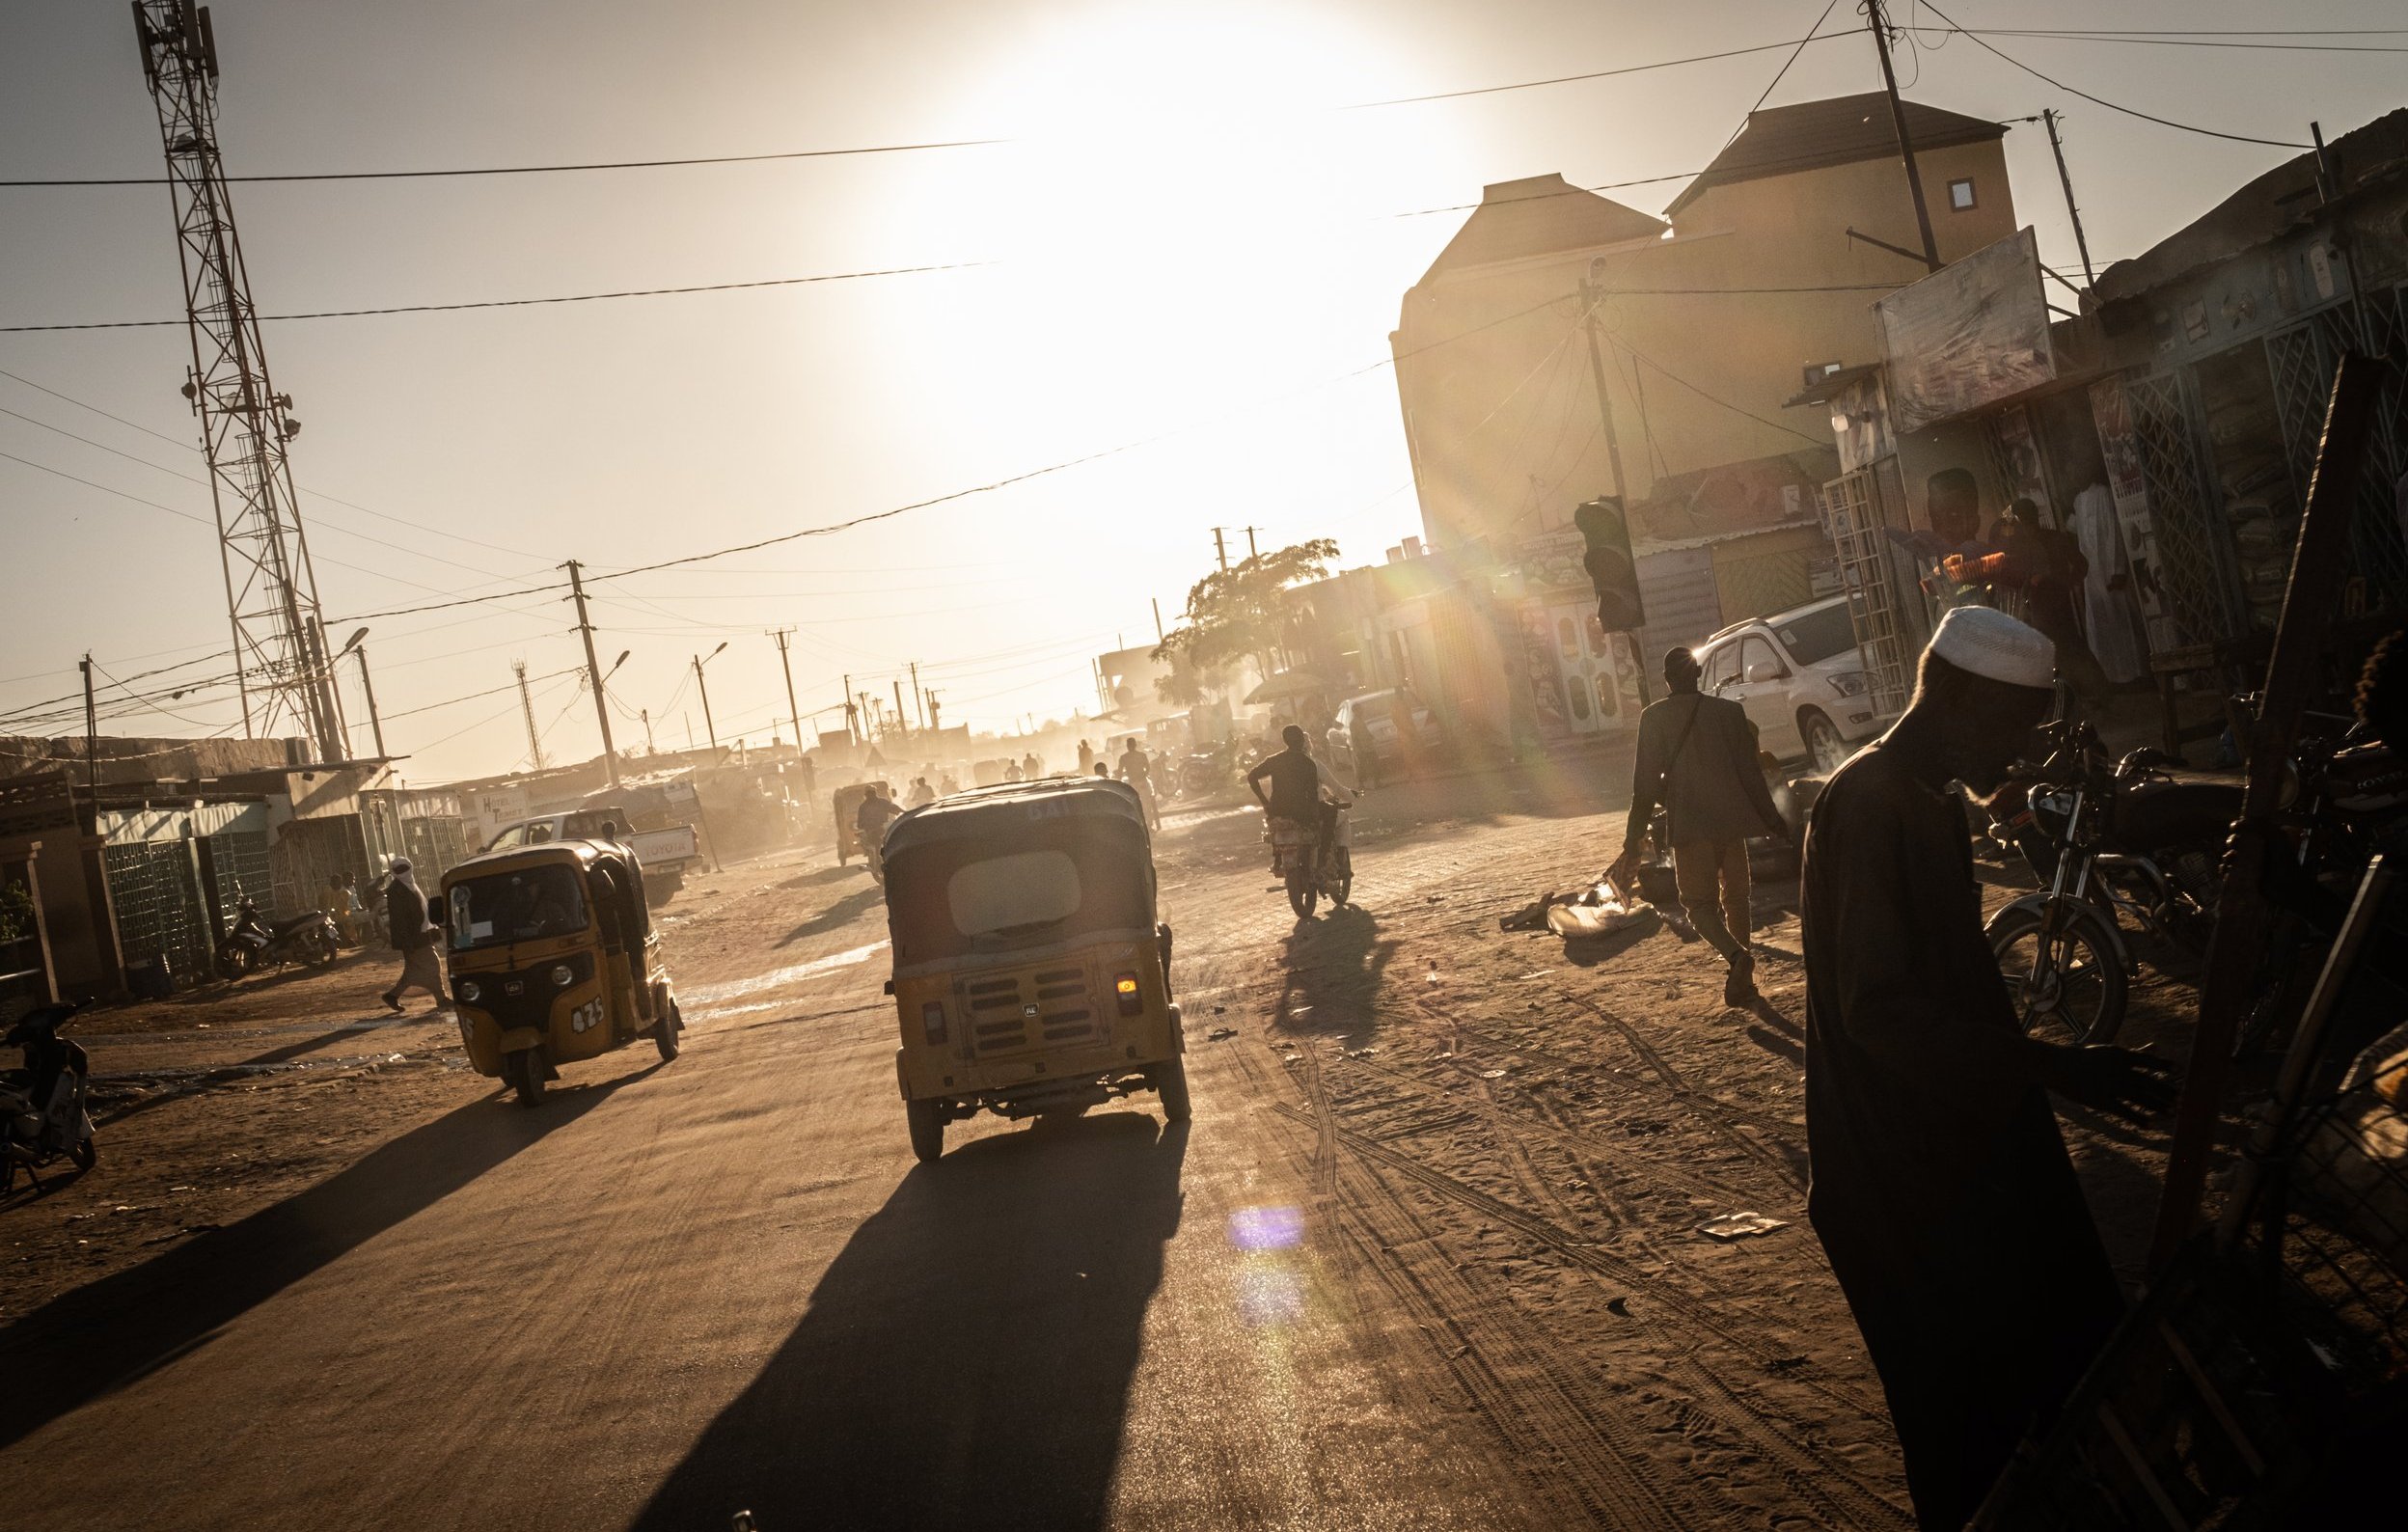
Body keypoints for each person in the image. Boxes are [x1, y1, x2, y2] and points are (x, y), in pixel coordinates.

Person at [1800, 606, 2175, 1529]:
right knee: (1969, 1443)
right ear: (1957, 698)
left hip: (1953, 1157)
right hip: (1899, 1181)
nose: (2020, 753)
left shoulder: (1927, 801)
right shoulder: (1874, 802)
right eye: (2013, 726)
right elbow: (1880, 1012)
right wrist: (2055, 1068)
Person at [1607, 646, 1787, 1007]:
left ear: (1667, 680)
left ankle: (1737, 959)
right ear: (1699, 674)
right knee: (1736, 898)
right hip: (1731, 822)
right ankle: (1743, 983)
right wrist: (1773, 819)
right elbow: (1751, 774)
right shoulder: (1730, 712)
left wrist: (1633, 836)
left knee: (1697, 906)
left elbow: (1643, 785)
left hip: (1690, 825)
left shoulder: (1653, 718)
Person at [2072, 478, 2148, 686]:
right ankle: (2111, 677)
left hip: (2109, 569)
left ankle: (2136, 674)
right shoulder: (2077, 502)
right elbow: (2081, 541)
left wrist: (2117, 568)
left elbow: (2113, 531)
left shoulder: (2103, 494)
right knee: (2102, 624)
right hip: (2091, 573)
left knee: (2121, 620)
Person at [378, 858, 445, 1014]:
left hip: (420, 934)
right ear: (394, 872)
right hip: (413, 937)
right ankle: (441, 999)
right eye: (398, 870)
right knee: (432, 965)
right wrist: (407, 942)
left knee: (413, 972)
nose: (403, 872)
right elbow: (399, 919)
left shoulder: (409, 885)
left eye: (404, 868)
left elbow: (423, 910)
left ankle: (392, 996)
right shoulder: (396, 890)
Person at [1245, 725, 1322, 843]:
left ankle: (1278, 859)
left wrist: (1265, 802)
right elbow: (1313, 795)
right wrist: (1315, 821)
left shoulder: (1275, 760)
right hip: (1301, 813)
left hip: (1277, 811)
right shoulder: (1308, 764)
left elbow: (1251, 776)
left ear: (1285, 741)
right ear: (1302, 739)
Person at [1117, 738, 1162, 828]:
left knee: (1135, 806)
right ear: (1135, 745)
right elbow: (1148, 768)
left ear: (1127, 746)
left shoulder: (1124, 757)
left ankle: (1141, 825)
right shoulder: (1141, 755)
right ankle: (1149, 825)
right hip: (1142, 781)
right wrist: (1143, 775)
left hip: (1132, 783)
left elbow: (1119, 772)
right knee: (1146, 804)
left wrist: (1119, 784)